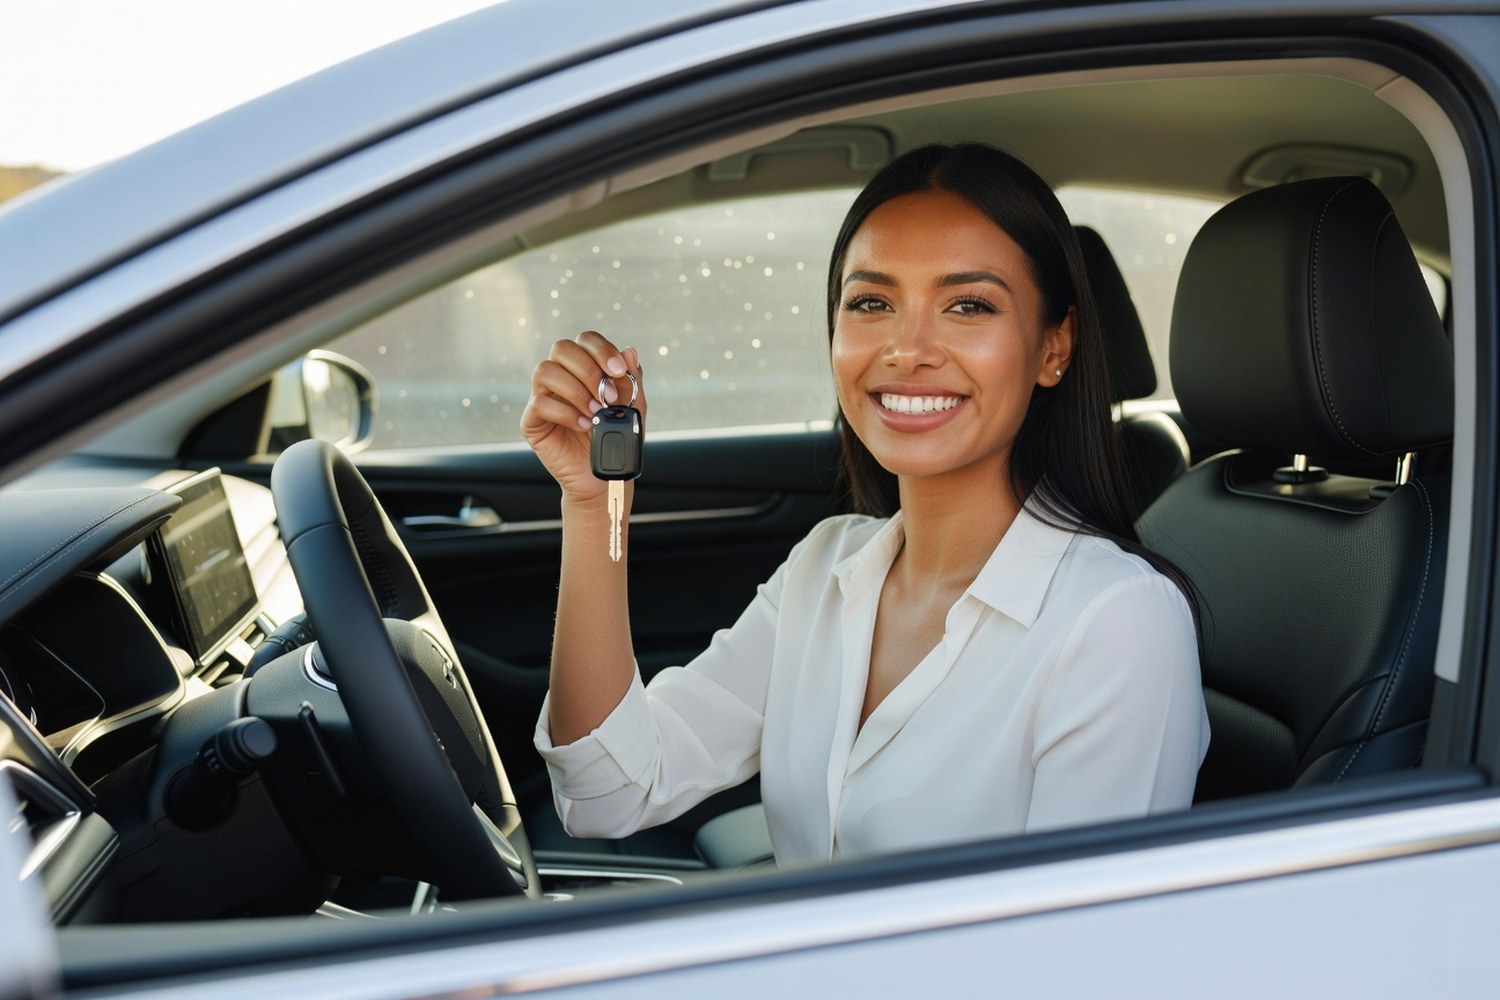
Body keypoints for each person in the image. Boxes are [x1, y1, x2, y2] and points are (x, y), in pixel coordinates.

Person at [522, 143, 1209, 864]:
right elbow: (608, 793)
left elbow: (1080, 960)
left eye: (968, 305)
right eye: (872, 303)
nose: (907, 349)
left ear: (1052, 347)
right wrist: (595, 505)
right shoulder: (827, 567)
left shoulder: (1117, 620)